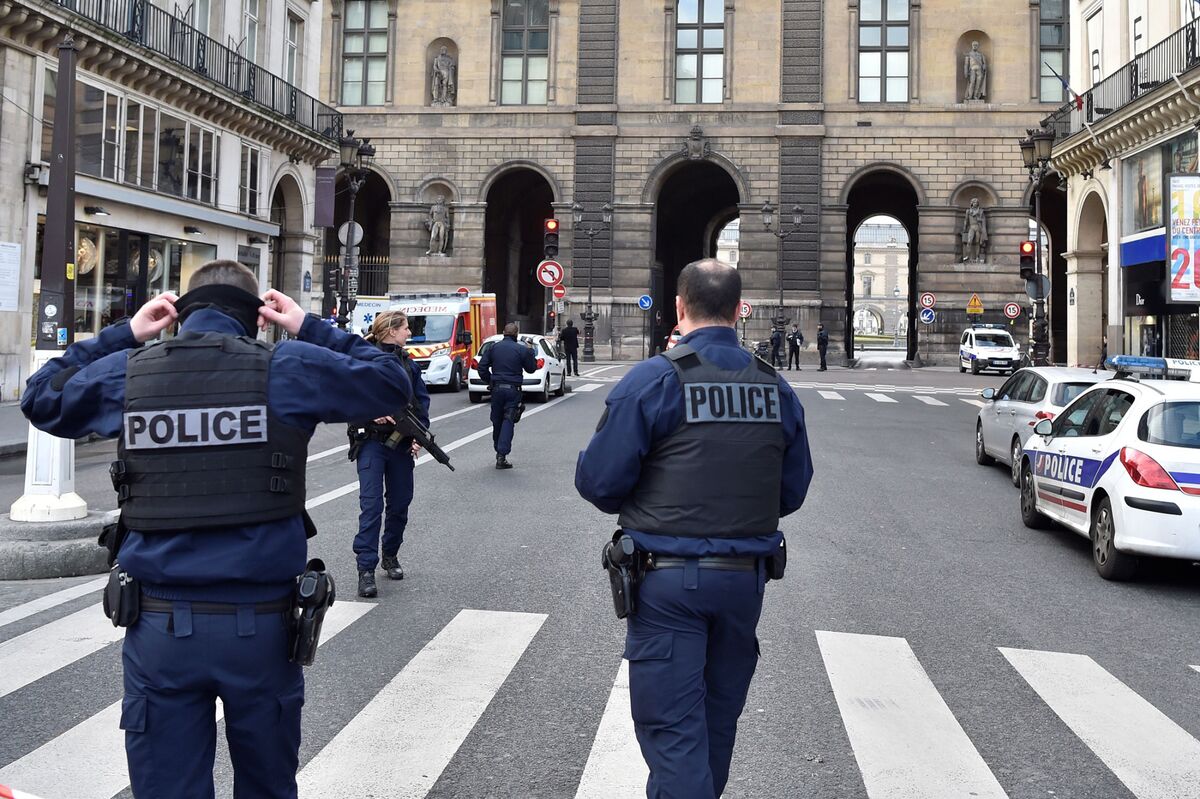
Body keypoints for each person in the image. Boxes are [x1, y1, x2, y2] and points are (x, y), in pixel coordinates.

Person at [20, 260, 412, 798]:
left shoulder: (131, 370)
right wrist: (308, 325)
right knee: (267, 787)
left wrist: (126, 332)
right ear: (258, 319)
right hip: (262, 630)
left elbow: (40, 397)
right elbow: (393, 382)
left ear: (178, 317)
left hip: (159, 628)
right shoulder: (287, 365)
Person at [575, 259, 813, 799]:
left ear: (679, 308)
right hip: (743, 582)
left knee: (676, 739)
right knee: (713, 733)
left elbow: (599, 483)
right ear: (738, 310)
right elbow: (792, 492)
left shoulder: (654, 380)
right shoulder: (776, 388)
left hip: (668, 585)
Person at [349, 310, 431, 598]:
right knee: (371, 506)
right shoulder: (363, 359)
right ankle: (366, 569)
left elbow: (421, 404)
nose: (409, 333)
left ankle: (390, 554)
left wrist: (420, 436)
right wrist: (373, 412)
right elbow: (347, 398)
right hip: (370, 441)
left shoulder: (408, 364)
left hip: (401, 445)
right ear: (391, 330)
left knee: (400, 504)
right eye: (406, 328)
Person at [476, 322, 536, 469]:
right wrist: (530, 350)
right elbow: (531, 369)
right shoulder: (520, 349)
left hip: (496, 389)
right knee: (508, 420)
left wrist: (490, 380)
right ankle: (502, 455)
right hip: (513, 390)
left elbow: (481, 367)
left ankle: (498, 449)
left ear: (503, 332)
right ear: (516, 334)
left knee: (496, 421)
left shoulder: (493, 348)